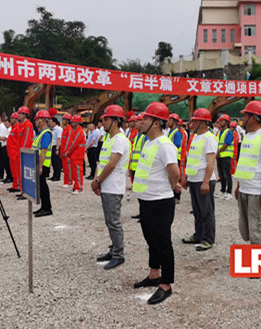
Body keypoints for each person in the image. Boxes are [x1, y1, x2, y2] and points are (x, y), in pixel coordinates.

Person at [132, 102, 181, 305]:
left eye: (145, 119)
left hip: (160, 202)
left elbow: (175, 172)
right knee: (151, 239)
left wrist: (174, 186)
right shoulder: (149, 142)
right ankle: (154, 275)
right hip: (146, 200)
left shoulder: (165, 145)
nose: (140, 122)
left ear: (155, 123)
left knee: (163, 242)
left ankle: (166, 284)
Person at [91, 105, 131, 269]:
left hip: (113, 187)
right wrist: (97, 179)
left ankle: (118, 254)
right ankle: (114, 248)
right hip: (106, 185)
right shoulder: (109, 139)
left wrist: (98, 181)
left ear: (116, 121)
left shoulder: (120, 140)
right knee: (109, 221)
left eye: (106, 119)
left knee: (114, 221)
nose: (103, 122)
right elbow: (102, 163)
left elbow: (112, 164)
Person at [233, 101, 261, 245]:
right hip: (245, 190)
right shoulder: (248, 136)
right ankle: (256, 262)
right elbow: (245, 163)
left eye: (245, 115)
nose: (242, 119)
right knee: (249, 232)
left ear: (253, 117)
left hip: (257, 193)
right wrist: (239, 186)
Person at [181, 108, 217, 251]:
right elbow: (193, 160)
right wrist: (187, 178)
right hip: (194, 180)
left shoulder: (209, 138)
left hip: (204, 181)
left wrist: (206, 181)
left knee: (206, 211)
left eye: (194, 121)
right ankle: (198, 234)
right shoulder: (195, 137)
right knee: (197, 211)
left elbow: (211, 162)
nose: (191, 124)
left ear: (203, 122)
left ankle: (208, 239)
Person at [32, 110, 53, 217]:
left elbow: (43, 151)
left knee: (43, 187)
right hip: (39, 164)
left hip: (42, 165)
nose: (35, 122)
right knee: (40, 187)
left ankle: (47, 208)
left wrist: (40, 166)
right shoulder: (40, 134)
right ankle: (44, 207)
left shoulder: (46, 134)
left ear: (42, 120)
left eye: (37, 120)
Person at [16, 106, 35, 200]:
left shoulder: (28, 125)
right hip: (21, 151)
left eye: (20, 113)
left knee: (25, 172)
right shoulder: (21, 124)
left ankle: (26, 191)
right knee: (21, 172)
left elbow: (27, 139)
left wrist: (22, 151)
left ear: (25, 114)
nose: (18, 115)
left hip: (25, 152)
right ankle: (23, 190)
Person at [215, 114, 234, 200]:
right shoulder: (219, 132)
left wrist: (218, 152)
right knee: (221, 174)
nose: (220, 122)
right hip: (220, 156)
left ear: (227, 122)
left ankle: (229, 192)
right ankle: (222, 190)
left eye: (222, 121)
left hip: (226, 155)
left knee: (227, 175)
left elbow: (226, 144)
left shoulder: (229, 132)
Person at [166, 113, 184, 203]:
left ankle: (177, 197)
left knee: (176, 178)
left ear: (174, 122)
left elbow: (177, 145)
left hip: (175, 158)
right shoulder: (170, 132)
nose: (168, 122)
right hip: (170, 157)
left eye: (170, 120)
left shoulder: (177, 133)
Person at [67, 115, 86, 194]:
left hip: (77, 155)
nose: (71, 123)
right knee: (75, 172)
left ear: (77, 123)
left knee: (78, 172)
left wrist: (68, 152)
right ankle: (76, 186)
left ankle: (78, 187)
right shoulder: (76, 131)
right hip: (75, 155)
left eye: (73, 122)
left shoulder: (79, 132)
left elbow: (74, 144)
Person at [0, 115, 11, 181]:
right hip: (0, 144)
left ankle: (2, 174)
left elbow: (2, 137)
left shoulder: (3, 127)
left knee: (2, 161)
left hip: (2, 145)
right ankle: (0, 174)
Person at [7, 112, 21, 192]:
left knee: (16, 171)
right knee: (13, 170)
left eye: (11, 118)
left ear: (15, 119)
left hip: (15, 153)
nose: (10, 120)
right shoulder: (14, 128)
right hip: (12, 153)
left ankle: (17, 186)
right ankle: (15, 185)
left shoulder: (18, 128)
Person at [60, 114, 73, 188]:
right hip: (63, 151)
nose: (62, 121)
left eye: (64, 120)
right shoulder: (65, 129)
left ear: (67, 121)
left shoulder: (69, 129)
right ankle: (66, 181)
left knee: (68, 168)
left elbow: (69, 141)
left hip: (66, 152)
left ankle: (69, 182)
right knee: (65, 168)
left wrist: (66, 151)